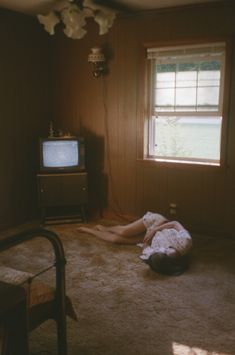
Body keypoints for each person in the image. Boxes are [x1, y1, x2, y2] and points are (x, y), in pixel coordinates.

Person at [78, 211, 192, 276]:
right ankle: (106, 228)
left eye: (158, 251)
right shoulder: (185, 242)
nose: (161, 249)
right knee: (124, 232)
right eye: (164, 251)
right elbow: (174, 223)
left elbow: (147, 248)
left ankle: (89, 231)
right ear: (172, 259)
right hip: (158, 223)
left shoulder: (155, 256)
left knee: (116, 240)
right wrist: (154, 230)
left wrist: (146, 243)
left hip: (149, 238)